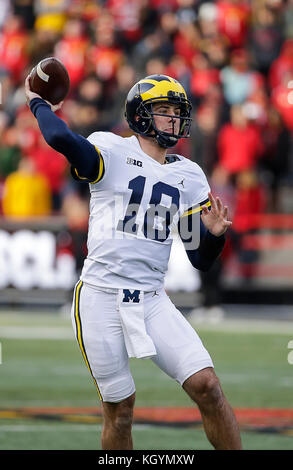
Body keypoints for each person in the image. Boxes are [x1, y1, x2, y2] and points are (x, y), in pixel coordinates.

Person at [25, 73, 242, 450]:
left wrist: (215, 237)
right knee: (121, 410)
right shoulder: (110, 150)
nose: (174, 118)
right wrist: (37, 102)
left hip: (152, 298)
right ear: (139, 116)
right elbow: (59, 138)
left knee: (208, 386)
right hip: (101, 296)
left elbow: (200, 259)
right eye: (163, 110)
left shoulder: (189, 176)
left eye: (177, 111)